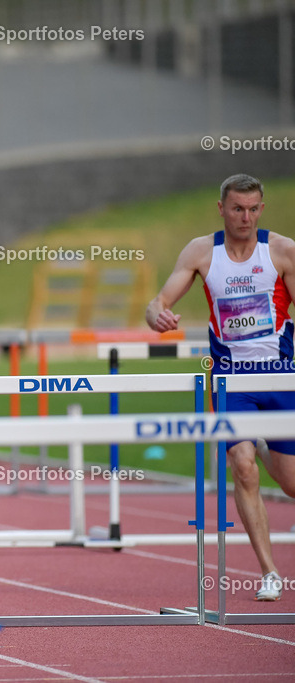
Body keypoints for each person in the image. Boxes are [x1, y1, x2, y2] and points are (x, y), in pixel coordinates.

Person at [146, 173, 295, 601]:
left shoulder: (282, 251)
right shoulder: (201, 252)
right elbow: (158, 302)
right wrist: (156, 314)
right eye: (237, 209)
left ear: (261, 210)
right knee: (242, 467)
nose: (245, 217)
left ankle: (266, 448)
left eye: (252, 209)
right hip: (232, 380)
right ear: (221, 209)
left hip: (281, 375)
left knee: (289, 483)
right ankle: (270, 573)